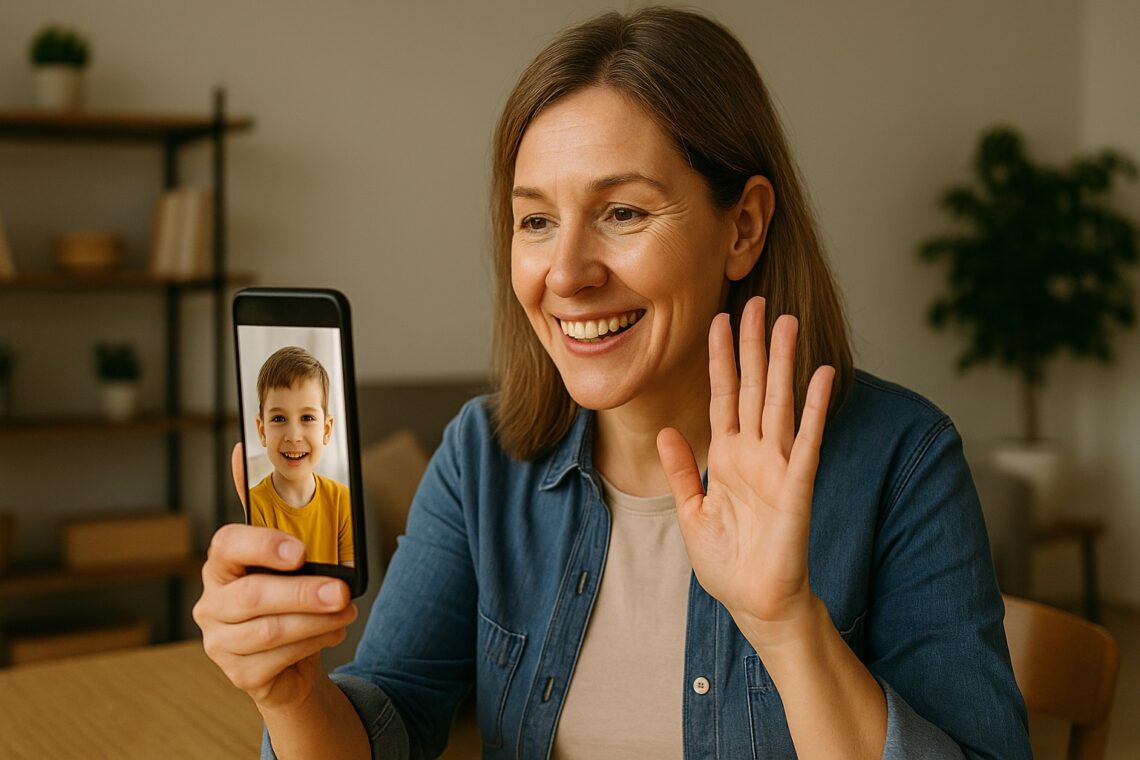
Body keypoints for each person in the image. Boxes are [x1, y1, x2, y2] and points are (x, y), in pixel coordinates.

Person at [194, 7, 1031, 758]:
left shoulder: (903, 460)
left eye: (623, 212)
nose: (567, 273)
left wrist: (786, 627)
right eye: (535, 221)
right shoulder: (481, 458)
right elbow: (391, 722)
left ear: (743, 227)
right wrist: (292, 696)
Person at [247, 346, 354, 567]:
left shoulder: (342, 501)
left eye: (306, 417)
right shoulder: (254, 505)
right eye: (278, 419)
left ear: (326, 430)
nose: (294, 436)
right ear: (262, 431)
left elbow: (349, 579)